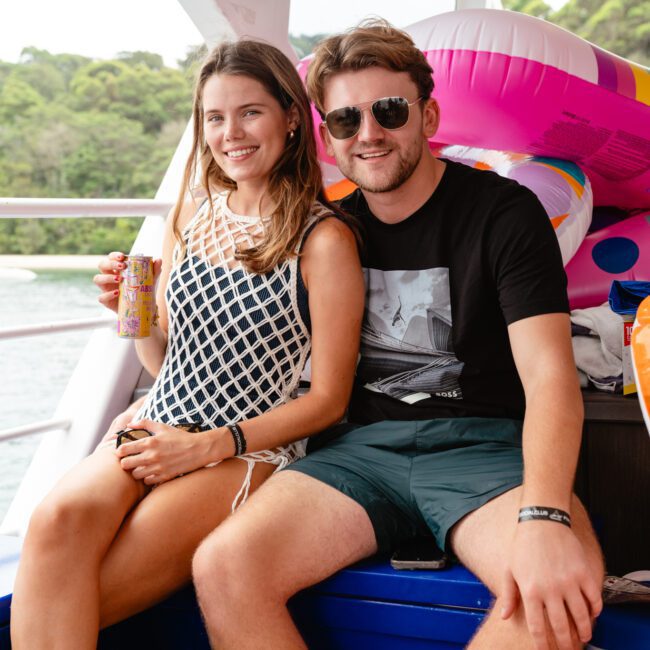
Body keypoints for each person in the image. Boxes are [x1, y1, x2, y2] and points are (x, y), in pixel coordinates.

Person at [191, 20, 605, 650]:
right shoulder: (327, 232)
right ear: (328, 138)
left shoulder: (504, 213)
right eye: (345, 120)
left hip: (485, 454)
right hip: (361, 455)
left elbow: (549, 377)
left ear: (428, 113)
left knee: (558, 595)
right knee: (223, 566)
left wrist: (545, 515)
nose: (370, 134)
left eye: (389, 110)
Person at [10, 39, 364, 649]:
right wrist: (134, 309)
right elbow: (161, 359)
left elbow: (330, 401)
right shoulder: (190, 217)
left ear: (288, 116)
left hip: (244, 448)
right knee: (54, 520)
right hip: (157, 420)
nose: (232, 133)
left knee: (83, 594)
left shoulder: (325, 241)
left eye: (250, 112)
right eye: (215, 117)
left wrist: (205, 448)